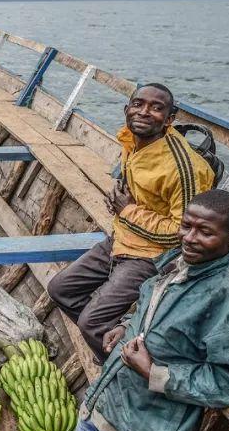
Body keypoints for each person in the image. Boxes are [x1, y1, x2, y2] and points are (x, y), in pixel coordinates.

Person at [61, 189, 229, 431]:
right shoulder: (177, 262)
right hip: (101, 403)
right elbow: (152, 310)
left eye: (205, 232)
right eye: (186, 226)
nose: (190, 238)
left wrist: (154, 373)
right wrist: (126, 326)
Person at [47, 83, 214, 360]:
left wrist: (126, 211)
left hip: (153, 255)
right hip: (123, 239)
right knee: (60, 289)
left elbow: (180, 234)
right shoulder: (131, 140)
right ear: (127, 110)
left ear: (169, 120)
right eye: (138, 104)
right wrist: (122, 206)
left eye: (156, 108)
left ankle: (117, 367)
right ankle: (121, 342)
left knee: (91, 323)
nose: (144, 112)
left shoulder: (183, 168)